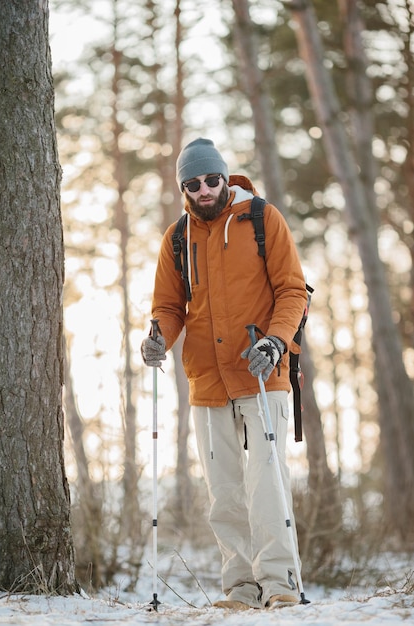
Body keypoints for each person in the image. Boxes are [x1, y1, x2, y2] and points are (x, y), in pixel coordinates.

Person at [141, 137, 308, 610]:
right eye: (192, 184)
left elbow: (293, 291)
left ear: (224, 176)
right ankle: (239, 589)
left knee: (267, 486)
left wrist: (275, 342)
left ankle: (279, 586)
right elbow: (169, 307)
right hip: (207, 383)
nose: (204, 190)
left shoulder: (262, 219)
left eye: (211, 179)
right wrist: (158, 338)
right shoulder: (177, 237)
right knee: (225, 494)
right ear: (184, 188)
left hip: (262, 374)